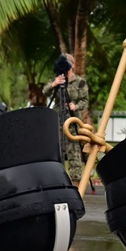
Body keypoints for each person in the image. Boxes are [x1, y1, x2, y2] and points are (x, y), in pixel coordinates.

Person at [42, 54, 89, 184]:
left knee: (74, 153)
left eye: (67, 63)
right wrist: (54, 84)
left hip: (73, 121)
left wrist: (76, 105)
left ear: (72, 65)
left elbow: (85, 102)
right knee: (56, 151)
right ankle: (56, 181)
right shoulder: (57, 79)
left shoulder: (80, 82)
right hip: (57, 121)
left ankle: (76, 183)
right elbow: (44, 92)